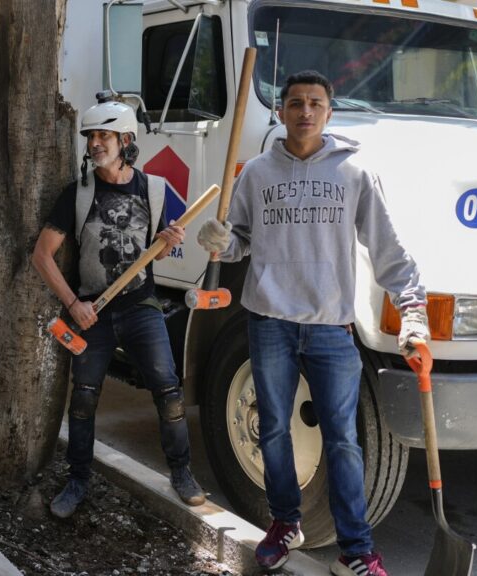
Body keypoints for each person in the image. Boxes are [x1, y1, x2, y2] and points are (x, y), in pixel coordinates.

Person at [196, 71, 428, 576]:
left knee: (343, 440)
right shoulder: (257, 173)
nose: (305, 111)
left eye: (315, 103)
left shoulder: (354, 173)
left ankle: (356, 550)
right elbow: (239, 243)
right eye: (296, 102)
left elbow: (389, 250)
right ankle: (285, 523)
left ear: (329, 112)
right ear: (280, 111)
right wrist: (220, 240)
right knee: (273, 430)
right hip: (269, 322)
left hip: (330, 327)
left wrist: (413, 311)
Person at [31, 99, 205, 518]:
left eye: (104, 136)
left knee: (169, 390)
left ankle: (181, 472)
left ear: (126, 140)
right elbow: (41, 255)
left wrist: (169, 242)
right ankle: (77, 480)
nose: (95, 144)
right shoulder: (77, 194)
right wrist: (73, 304)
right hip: (93, 311)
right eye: (91, 136)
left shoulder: (154, 189)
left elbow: (158, 251)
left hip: (141, 306)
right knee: (84, 399)